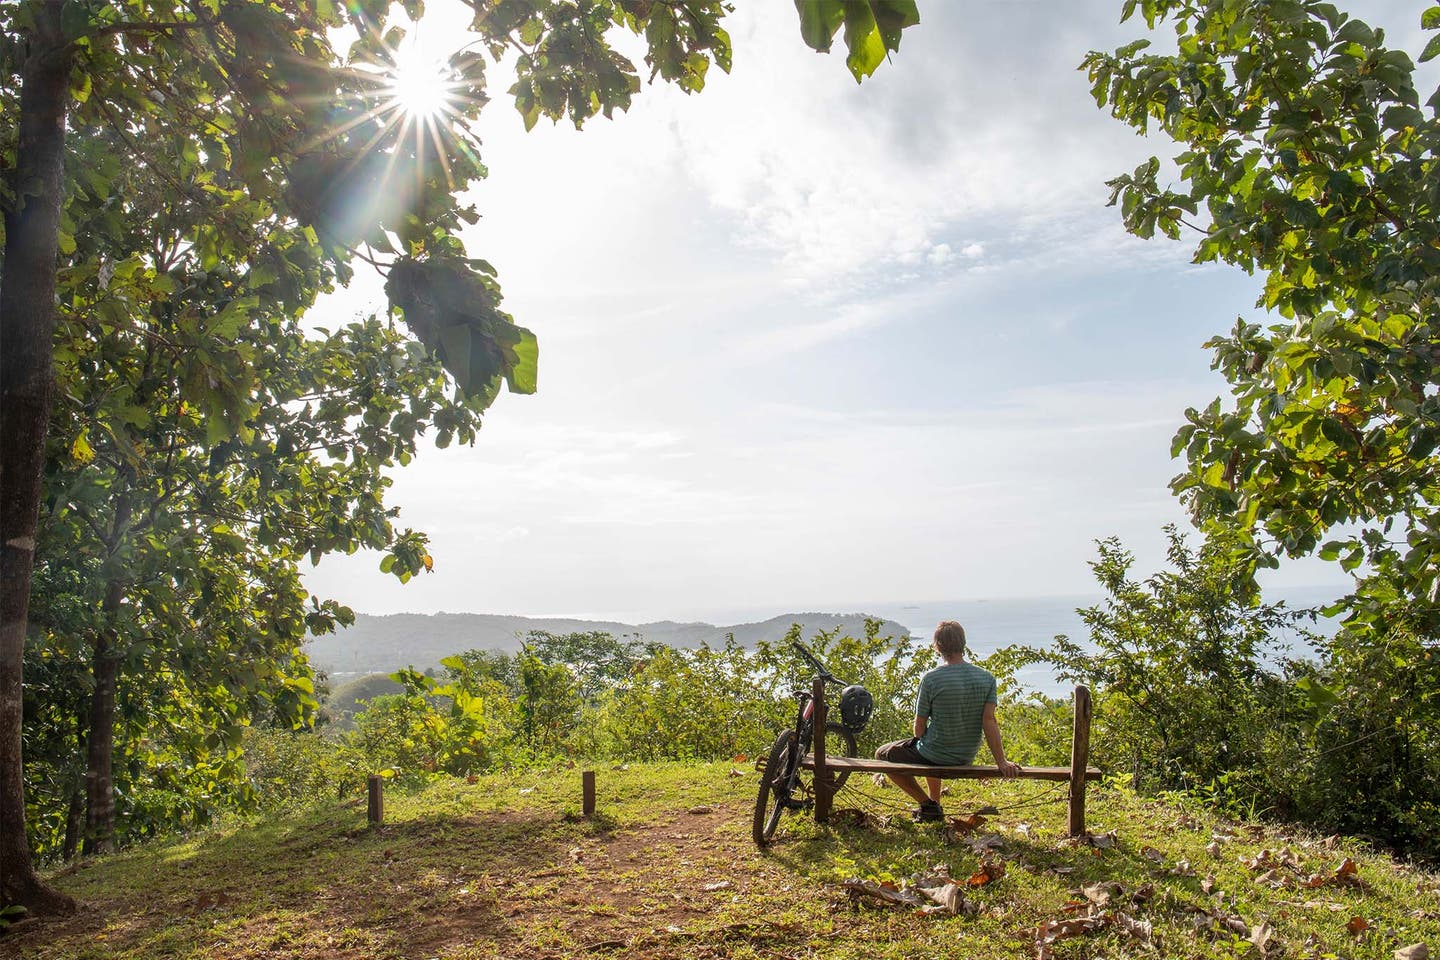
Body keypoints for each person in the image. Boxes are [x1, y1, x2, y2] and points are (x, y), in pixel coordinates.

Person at [874, 620, 1022, 821]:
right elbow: (990, 721)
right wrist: (1001, 761)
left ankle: (927, 805)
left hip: (934, 752)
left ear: (937, 646)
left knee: (883, 754)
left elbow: (919, 727)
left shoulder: (932, 679)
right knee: (929, 746)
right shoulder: (987, 678)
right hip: (964, 756)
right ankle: (935, 802)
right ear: (963, 644)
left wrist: (923, 739)